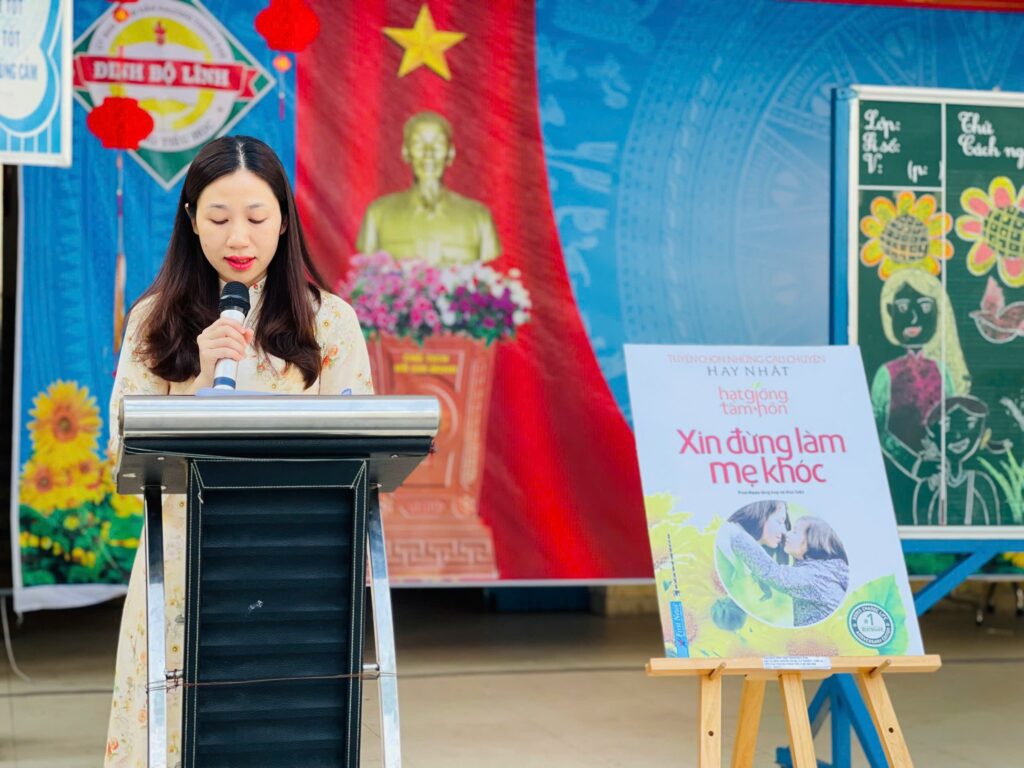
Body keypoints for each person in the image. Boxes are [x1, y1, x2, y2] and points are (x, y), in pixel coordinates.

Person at [104, 135, 373, 766]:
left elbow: (360, 449)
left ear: (283, 219)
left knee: (283, 730)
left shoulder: (329, 322)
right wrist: (197, 380)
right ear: (192, 220)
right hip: (182, 567)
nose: (239, 238)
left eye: (256, 217)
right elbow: (122, 449)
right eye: (219, 218)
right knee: (177, 733)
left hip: (295, 565)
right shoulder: (154, 320)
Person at [356, 110, 501, 265]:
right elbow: (366, 270)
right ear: (406, 152)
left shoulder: (478, 217)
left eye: (438, 144)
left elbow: (489, 267)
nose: (429, 153)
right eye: (418, 144)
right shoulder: (378, 214)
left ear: (450, 154)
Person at [870, 269, 970, 478]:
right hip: (897, 473)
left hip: (940, 474)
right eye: (903, 307)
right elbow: (876, 430)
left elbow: (950, 422)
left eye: (924, 307)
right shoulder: (886, 373)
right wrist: (914, 465)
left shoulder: (942, 370)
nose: (913, 317)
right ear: (890, 312)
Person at [722, 516, 850, 627]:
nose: (787, 534)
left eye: (795, 532)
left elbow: (772, 572)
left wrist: (735, 534)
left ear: (811, 543)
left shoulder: (816, 576)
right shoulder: (823, 570)